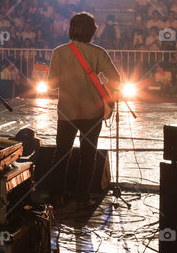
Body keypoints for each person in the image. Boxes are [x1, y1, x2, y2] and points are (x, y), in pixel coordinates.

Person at [47, 12, 121, 209]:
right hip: (92, 112)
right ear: (91, 31)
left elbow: (51, 84)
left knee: (61, 153)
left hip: (66, 112)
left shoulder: (59, 52)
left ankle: (56, 196)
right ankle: (82, 196)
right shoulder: (98, 53)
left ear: (71, 29)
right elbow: (116, 80)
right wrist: (101, 86)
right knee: (89, 154)